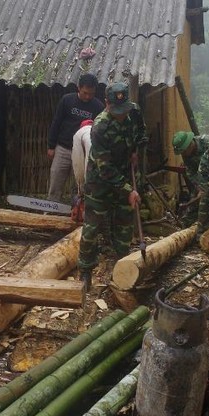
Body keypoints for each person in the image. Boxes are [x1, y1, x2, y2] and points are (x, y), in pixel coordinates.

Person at [78, 82, 147, 289]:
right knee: (92, 225)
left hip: (125, 172)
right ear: (106, 103)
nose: (121, 115)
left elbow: (142, 133)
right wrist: (128, 190)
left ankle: (123, 262)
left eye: (123, 110)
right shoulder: (100, 127)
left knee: (125, 220)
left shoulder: (133, 112)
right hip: (100, 181)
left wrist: (135, 150)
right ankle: (85, 269)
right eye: (116, 112)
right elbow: (104, 168)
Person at [46, 73, 104, 202]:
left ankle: (77, 211)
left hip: (83, 152)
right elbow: (56, 122)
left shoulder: (98, 107)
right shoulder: (67, 100)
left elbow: (99, 132)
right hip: (63, 148)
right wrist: (51, 146)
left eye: (91, 94)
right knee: (56, 180)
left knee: (80, 185)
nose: (88, 96)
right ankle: (51, 210)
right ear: (79, 88)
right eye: (85, 93)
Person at [171, 130, 209, 225]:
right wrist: (199, 187)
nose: (182, 155)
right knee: (194, 204)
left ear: (189, 144)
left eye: (183, 151)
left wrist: (208, 186)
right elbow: (191, 172)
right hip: (200, 179)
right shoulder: (186, 154)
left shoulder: (207, 142)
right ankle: (185, 228)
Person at [70, 119, 94, 221]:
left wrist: (81, 190)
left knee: (84, 179)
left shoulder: (78, 134)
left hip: (88, 179)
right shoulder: (100, 131)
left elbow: (78, 165)